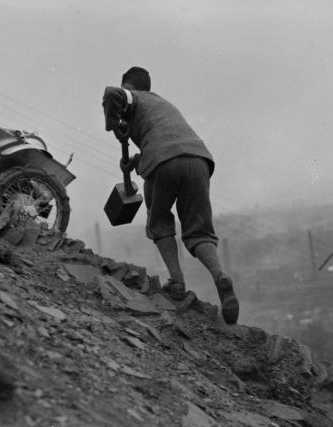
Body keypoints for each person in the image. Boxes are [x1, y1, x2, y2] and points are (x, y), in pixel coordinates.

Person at [102, 66, 239, 325]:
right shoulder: (162, 103)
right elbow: (167, 138)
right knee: (199, 231)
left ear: (129, 86)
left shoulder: (133, 96)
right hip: (198, 159)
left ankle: (177, 283)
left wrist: (112, 124)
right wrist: (136, 160)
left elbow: (112, 94)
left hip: (163, 161)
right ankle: (220, 274)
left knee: (159, 221)